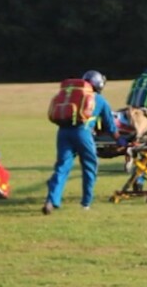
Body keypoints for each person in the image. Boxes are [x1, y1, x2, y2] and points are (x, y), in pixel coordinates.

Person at [42, 70, 118, 214]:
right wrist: (120, 140)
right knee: (89, 166)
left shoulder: (70, 97)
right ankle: (86, 203)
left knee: (62, 167)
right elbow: (110, 126)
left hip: (63, 132)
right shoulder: (99, 100)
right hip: (82, 133)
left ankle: (51, 200)